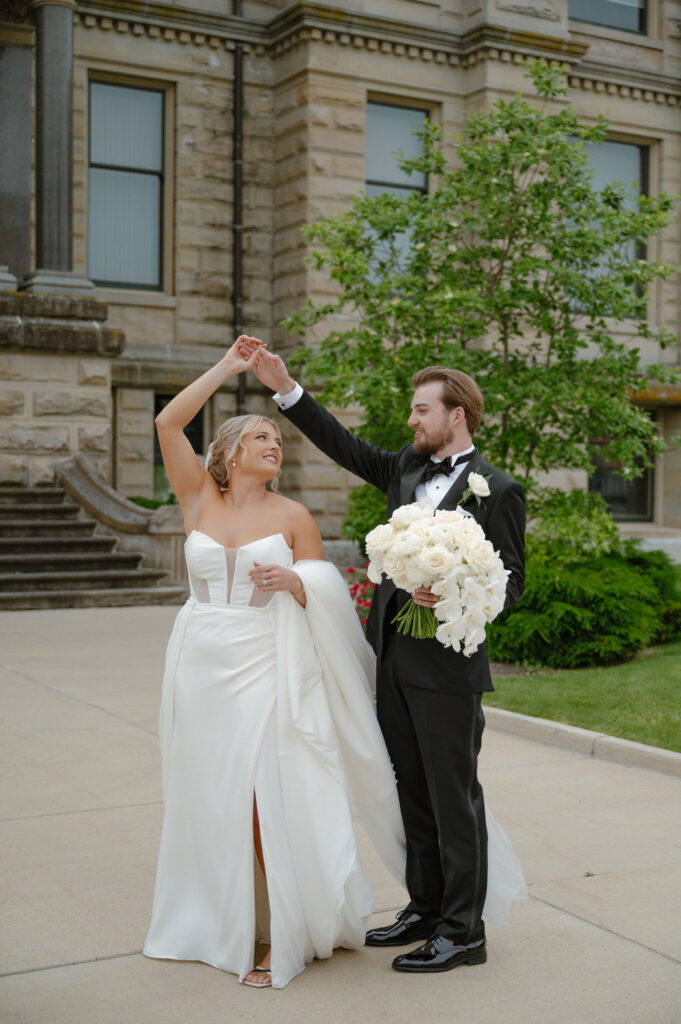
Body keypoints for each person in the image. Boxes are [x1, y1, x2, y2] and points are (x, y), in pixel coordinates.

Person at [240, 339, 526, 974]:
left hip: (449, 671)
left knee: (454, 797)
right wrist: (286, 388)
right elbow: (344, 446)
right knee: (411, 792)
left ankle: (463, 931)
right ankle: (424, 906)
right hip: (390, 659)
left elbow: (510, 582)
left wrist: (449, 589)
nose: (412, 420)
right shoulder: (404, 469)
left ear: (458, 415)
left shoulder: (497, 491)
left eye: (422, 410)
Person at [142, 338, 407, 989]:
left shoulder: (293, 516)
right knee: (211, 796)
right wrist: (229, 368)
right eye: (261, 436)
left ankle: (275, 933)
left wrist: (296, 585)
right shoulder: (196, 496)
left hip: (267, 663)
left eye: (277, 440)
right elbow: (166, 422)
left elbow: (327, 595)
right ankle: (215, 921)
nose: (274, 445)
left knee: (264, 796)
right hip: (200, 663)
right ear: (229, 451)